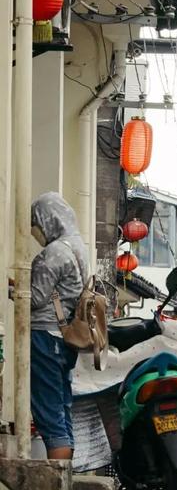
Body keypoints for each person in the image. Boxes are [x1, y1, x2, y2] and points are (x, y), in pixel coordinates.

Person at [29, 192, 89, 460]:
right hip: (66, 337)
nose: (36, 230)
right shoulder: (79, 247)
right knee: (62, 408)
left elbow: (34, 298)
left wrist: (13, 287)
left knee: (48, 410)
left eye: (37, 223)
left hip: (46, 334)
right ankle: (66, 481)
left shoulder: (53, 253)